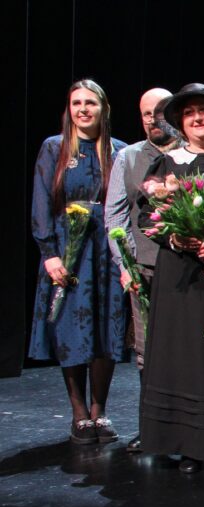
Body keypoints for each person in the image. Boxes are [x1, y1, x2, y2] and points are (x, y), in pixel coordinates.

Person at [138, 83, 204, 474]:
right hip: (181, 275)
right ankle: (186, 444)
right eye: (188, 113)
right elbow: (147, 216)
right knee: (185, 357)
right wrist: (176, 237)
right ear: (181, 123)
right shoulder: (168, 163)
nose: (197, 118)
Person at [29, 79, 128, 445]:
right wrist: (50, 254)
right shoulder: (54, 148)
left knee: (105, 329)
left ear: (103, 109)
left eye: (91, 103)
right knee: (71, 330)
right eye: (76, 103)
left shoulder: (119, 152)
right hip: (67, 251)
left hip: (106, 253)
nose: (83, 109)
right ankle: (79, 414)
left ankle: (100, 410)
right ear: (69, 110)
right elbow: (42, 201)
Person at [103, 87, 180, 453]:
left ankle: (191, 431)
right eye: (147, 113)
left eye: (160, 112)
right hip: (145, 269)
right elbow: (115, 216)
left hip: (189, 269)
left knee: (186, 348)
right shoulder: (129, 157)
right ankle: (150, 428)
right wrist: (126, 264)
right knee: (146, 351)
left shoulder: (189, 154)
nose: (153, 119)